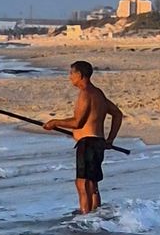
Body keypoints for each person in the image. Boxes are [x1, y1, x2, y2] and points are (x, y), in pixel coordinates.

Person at [45, 58, 124, 214]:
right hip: (98, 142)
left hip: (87, 144)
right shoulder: (98, 93)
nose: (70, 77)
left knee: (82, 184)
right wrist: (110, 139)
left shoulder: (85, 94)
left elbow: (77, 122)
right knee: (93, 184)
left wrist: (55, 122)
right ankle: (96, 216)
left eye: (71, 73)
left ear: (80, 75)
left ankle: (86, 219)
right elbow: (117, 114)